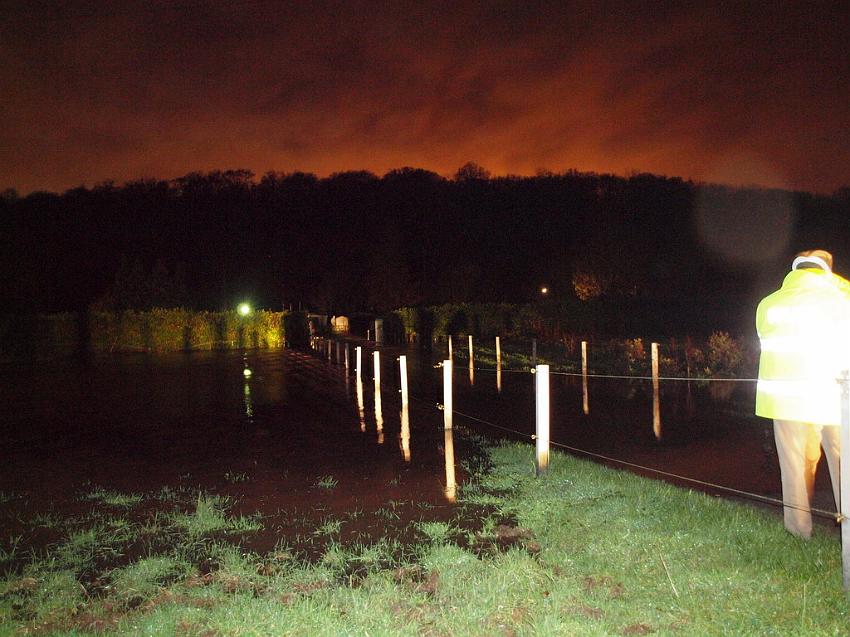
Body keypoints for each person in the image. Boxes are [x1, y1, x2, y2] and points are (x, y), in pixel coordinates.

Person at [755, 249, 850, 538]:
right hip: (835, 398)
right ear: (827, 269)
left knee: (795, 469)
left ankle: (798, 535)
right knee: (845, 466)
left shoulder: (769, 304)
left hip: (786, 401)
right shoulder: (843, 296)